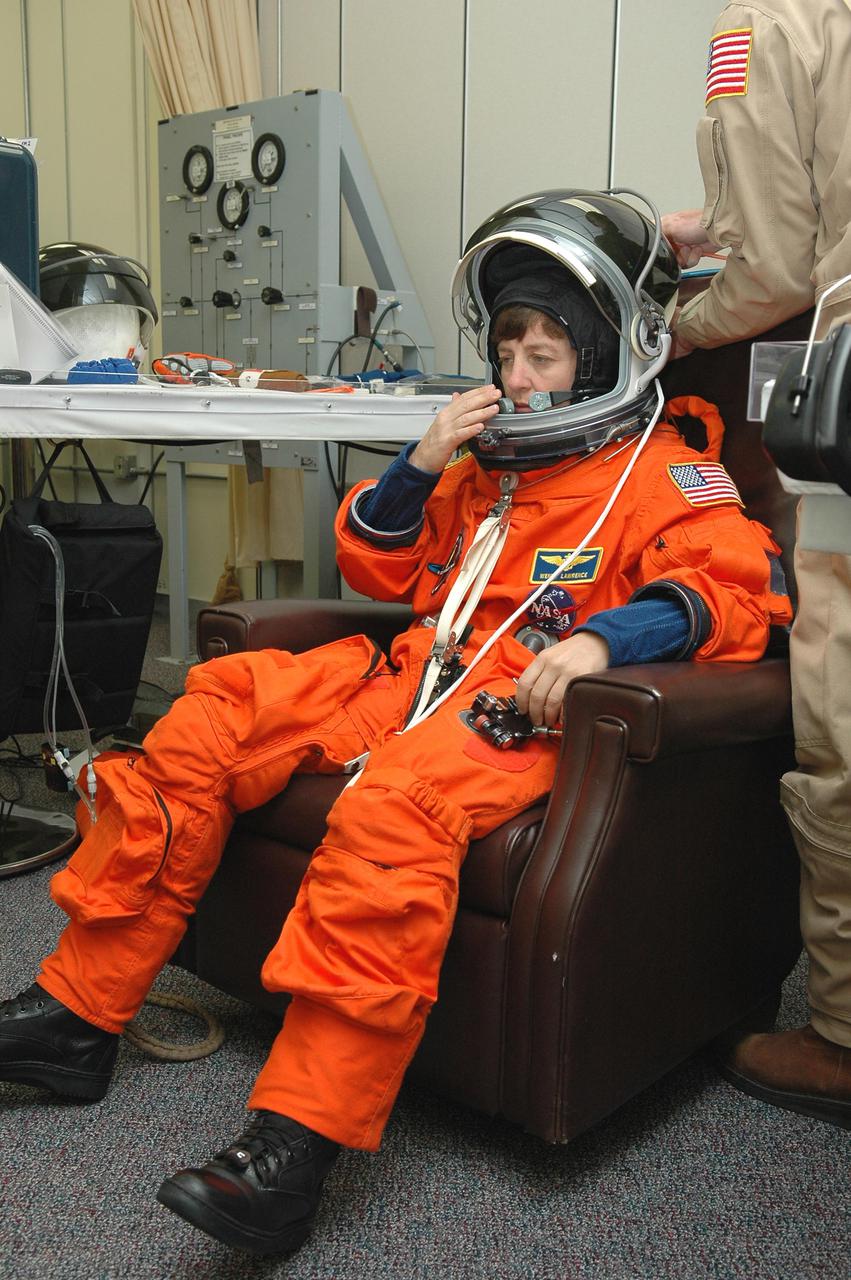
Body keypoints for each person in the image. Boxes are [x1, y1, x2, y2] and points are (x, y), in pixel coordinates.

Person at [0, 191, 794, 1256]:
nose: (516, 375)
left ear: (601, 357)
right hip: (413, 672)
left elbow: (738, 590)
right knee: (208, 717)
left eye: (545, 353)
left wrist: (604, 643)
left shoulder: (660, 472)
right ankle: (77, 1016)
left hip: (516, 708)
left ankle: (291, 1144)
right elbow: (379, 566)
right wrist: (420, 461)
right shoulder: (485, 470)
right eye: (508, 346)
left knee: (391, 813)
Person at [662, 0, 851, 1131]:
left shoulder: (765, 21)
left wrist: (681, 322)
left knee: (837, 722)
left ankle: (837, 1036)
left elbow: (779, 267)